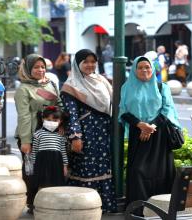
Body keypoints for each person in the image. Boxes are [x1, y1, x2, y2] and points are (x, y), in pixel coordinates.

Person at [119, 56, 181, 216]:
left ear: (153, 69)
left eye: (147, 67)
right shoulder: (126, 87)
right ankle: (138, 212)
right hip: (138, 134)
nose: (144, 70)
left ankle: (162, 212)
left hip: (160, 135)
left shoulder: (162, 87)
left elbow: (167, 109)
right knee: (137, 172)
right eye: (140, 67)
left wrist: (150, 127)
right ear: (134, 70)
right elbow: (123, 111)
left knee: (162, 173)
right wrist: (141, 125)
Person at [60, 49, 117, 212]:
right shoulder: (70, 86)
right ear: (78, 64)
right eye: (86, 62)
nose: (90, 65)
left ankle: (104, 206)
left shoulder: (100, 80)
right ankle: (84, 208)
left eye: (93, 61)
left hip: (104, 132)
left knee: (103, 168)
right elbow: (72, 115)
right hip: (86, 134)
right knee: (86, 169)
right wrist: (76, 137)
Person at [14, 54, 61, 214]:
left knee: (52, 167)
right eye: (36, 67)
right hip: (33, 133)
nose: (40, 70)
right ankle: (33, 203)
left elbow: (59, 105)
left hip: (52, 132)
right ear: (28, 69)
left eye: (43, 67)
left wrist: (62, 126)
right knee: (33, 171)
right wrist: (26, 141)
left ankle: (50, 201)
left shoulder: (51, 84)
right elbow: (24, 116)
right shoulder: (23, 89)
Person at [30, 105, 68, 193]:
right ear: (43, 119)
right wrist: (34, 165)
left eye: (55, 120)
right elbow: (35, 151)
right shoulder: (38, 134)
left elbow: (63, 151)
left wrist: (65, 166)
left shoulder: (61, 135)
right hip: (42, 162)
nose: (51, 122)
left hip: (56, 162)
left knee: (56, 185)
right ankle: (40, 203)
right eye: (48, 120)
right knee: (42, 185)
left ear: (60, 121)